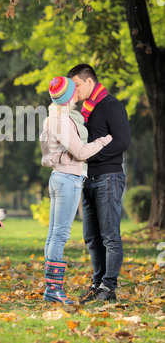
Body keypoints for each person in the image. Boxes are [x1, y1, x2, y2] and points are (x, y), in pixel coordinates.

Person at [40, 76, 113, 304]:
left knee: (54, 235)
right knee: (60, 235)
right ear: (69, 96)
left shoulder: (52, 118)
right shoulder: (62, 120)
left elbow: (46, 152)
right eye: (74, 90)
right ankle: (54, 289)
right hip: (67, 179)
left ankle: (51, 288)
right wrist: (105, 140)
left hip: (58, 177)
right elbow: (81, 152)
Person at [67, 64, 131, 303]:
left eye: (77, 85)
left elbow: (123, 141)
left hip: (108, 177)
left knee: (110, 236)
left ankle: (109, 287)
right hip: (87, 178)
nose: (74, 90)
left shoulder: (111, 106)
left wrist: (90, 155)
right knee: (92, 238)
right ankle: (97, 283)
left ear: (89, 81)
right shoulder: (85, 109)